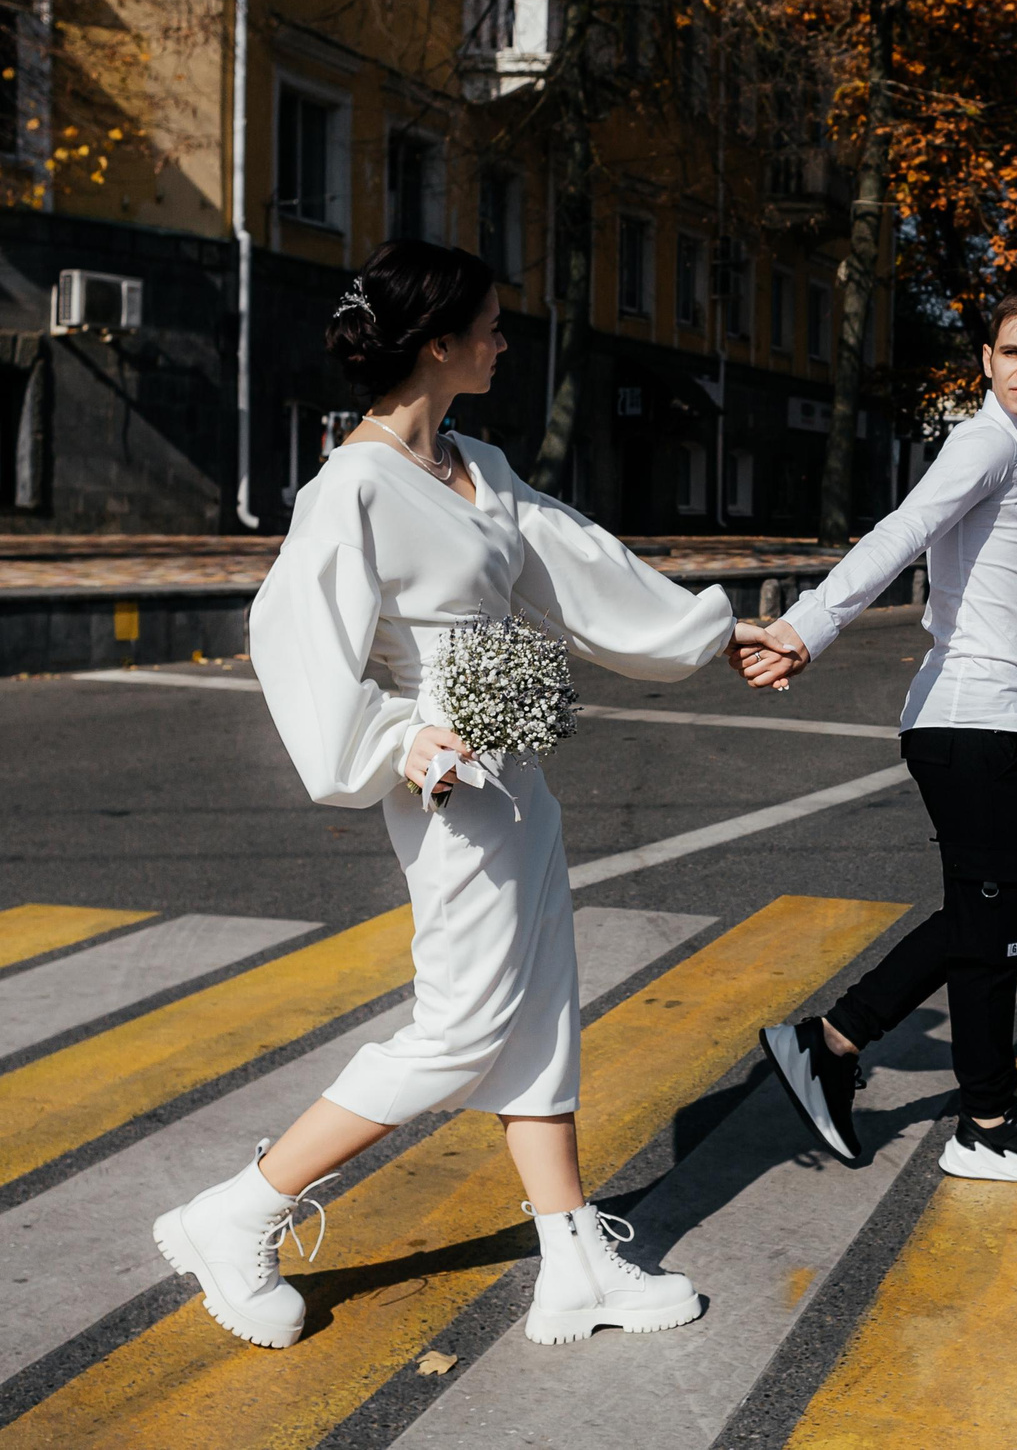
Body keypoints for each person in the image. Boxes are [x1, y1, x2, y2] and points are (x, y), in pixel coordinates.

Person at [153, 239, 772, 1352]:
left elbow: (579, 563)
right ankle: (236, 1213)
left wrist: (717, 632)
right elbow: (291, 637)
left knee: (538, 1012)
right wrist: (399, 735)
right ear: (436, 343)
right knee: (460, 1025)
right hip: (443, 782)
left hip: (516, 770)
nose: (503, 340)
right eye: (489, 324)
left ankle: (573, 1258)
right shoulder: (350, 485)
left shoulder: (476, 463)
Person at [735, 286, 1017, 1186]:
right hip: (971, 720)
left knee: (991, 918)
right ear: (987, 360)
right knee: (993, 916)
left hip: (989, 717)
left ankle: (924, 1087)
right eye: (1013, 352)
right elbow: (902, 532)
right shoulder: (985, 443)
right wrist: (805, 629)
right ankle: (921, 1088)